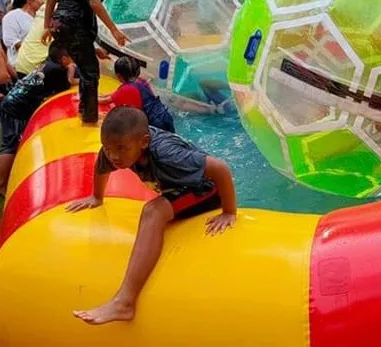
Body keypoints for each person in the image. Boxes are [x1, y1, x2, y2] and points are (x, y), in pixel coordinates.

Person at [67, 106, 237, 325]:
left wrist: (229, 212)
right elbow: (102, 167)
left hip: (206, 190)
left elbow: (219, 167)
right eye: (108, 149)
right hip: (176, 189)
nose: (114, 156)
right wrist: (97, 197)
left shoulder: (167, 153)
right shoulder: (116, 146)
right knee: (154, 205)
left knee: (152, 212)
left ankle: (125, 303)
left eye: (120, 149)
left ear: (144, 142)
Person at [43, 0, 129, 124]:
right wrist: (114, 30)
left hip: (59, 24)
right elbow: (94, 1)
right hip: (76, 25)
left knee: (83, 63)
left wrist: (48, 26)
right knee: (91, 72)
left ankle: (83, 107)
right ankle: (90, 117)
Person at [0, 42, 77, 193]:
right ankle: (1, 182)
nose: (74, 60)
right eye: (71, 57)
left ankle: (4, 179)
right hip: (16, 107)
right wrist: (72, 69)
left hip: (14, 101)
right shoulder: (57, 70)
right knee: (11, 143)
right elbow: (69, 83)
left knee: (12, 141)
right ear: (63, 59)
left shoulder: (48, 64)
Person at [99, 56, 175, 132]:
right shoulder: (142, 81)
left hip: (155, 124)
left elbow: (105, 101)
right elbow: (116, 93)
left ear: (118, 76)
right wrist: (104, 95)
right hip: (165, 116)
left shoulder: (125, 89)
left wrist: (91, 97)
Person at [3, 0, 45, 67]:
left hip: (41, 64)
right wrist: (37, 50)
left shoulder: (41, 17)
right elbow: (10, 40)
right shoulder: (12, 16)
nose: (43, 2)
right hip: (20, 65)